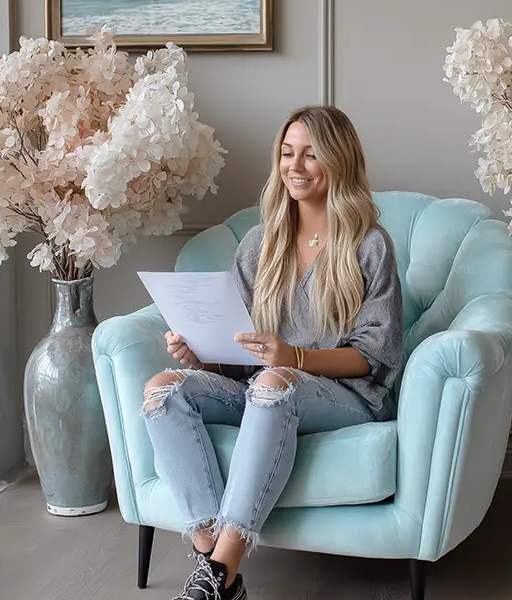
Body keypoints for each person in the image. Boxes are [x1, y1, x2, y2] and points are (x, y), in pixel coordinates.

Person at [141, 105, 404, 600]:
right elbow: (243, 351)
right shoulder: (261, 243)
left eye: (311, 155)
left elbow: (375, 355)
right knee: (162, 391)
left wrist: (294, 359)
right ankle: (213, 567)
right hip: (263, 386)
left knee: (271, 382)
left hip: (347, 396)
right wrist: (200, 356)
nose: (295, 166)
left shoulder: (370, 245)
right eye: (287, 153)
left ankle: (222, 567)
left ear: (339, 161)